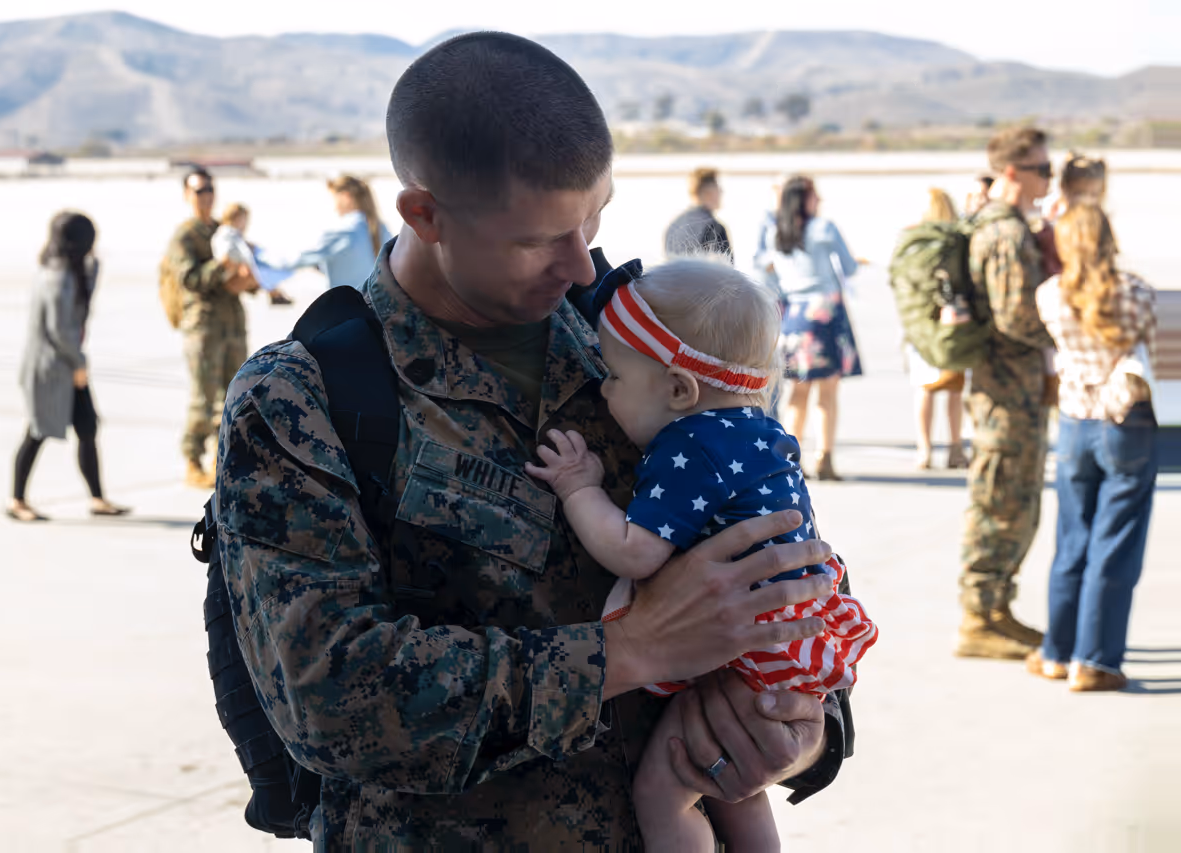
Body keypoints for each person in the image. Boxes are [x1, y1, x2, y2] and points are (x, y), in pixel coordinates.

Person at [217, 33, 853, 850]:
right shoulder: (307, 396)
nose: (583, 267)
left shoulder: (645, 345)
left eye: (594, 218)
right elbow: (326, 698)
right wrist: (627, 650)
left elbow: (786, 566)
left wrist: (801, 726)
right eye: (536, 240)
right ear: (424, 214)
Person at [526, 258, 877, 852]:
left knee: (664, 792)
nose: (604, 388)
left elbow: (634, 552)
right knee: (732, 784)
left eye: (613, 376)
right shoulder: (760, 430)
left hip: (751, 645)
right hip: (790, 642)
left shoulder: (688, 445)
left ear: (678, 390)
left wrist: (578, 487)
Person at [1031, 204, 1158, 692]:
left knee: (1072, 540)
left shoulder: (1050, 294)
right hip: (1125, 420)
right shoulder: (1136, 292)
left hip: (1074, 421)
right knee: (1115, 544)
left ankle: (1057, 652)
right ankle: (1096, 660)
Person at [955, 127, 1056, 660]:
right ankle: (979, 616)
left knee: (1015, 501)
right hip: (1005, 391)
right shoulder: (1007, 234)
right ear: (1012, 172)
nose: (1049, 179)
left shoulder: (1008, 226)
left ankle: (995, 610)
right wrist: (1070, 329)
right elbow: (1016, 317)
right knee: (999, 501)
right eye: (1043, 169)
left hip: (1013, 389)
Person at [9, 211, 129, 522]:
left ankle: (98, 498)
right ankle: (17, 500)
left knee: (87, 426)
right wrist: (78, 363)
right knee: (37, 430)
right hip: (53, 368)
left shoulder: (64, 269)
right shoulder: (58, 277)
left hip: (66, 364)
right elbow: (60, 329)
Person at [164, 167, 259, 489]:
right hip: (203, 325)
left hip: (232, 324)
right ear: (186, 195)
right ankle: (192, 460)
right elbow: (189, 278)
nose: (205, 196)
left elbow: (246, 270)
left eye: (209, 190)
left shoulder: (224, 231)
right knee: (202, 397)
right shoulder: (185, 237)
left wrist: (251, 277)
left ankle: (222, 461)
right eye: (199, 191)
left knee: (233, 395)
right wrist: (222, 266)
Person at [768, 175, 865, 480]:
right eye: (814, 195)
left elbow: (771, 275)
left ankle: (791, 459)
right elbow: (849, 267)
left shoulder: (776, 232)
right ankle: (825, 457)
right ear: (804, 199)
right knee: (828, 391)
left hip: (794, 315)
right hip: (825, 313)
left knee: (797, 393)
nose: (819, 200)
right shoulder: (824, 228)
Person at [906, 189, 968, 470]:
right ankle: (955, 447)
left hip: (922, 322)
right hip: (954, 318)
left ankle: (925, 448)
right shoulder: (957, 239)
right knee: (954, 387)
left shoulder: (915, 240)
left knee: (925, 387)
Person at [296, 174, 393, 290]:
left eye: (334, 198)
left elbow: (303, 258)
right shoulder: (382, 228)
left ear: (346, 197)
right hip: (375, 299)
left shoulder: (344, 229)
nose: (334, 206)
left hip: (346, 299)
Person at [211, 202, 295, 305]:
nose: (245, 225)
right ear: (236, 219)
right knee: (263, 271)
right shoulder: (229, 233)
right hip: (228, 274)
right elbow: (240, 253)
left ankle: (274, 292)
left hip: (229, 272)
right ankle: (274, 293)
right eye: (243, 220)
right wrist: (250, 264)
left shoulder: (225, 233)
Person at [664, 168, 733, 262]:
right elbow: (726, 268)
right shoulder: (713, 227)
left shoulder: (674, 226)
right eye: (717, 187)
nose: (721, 191)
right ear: (708, 192)